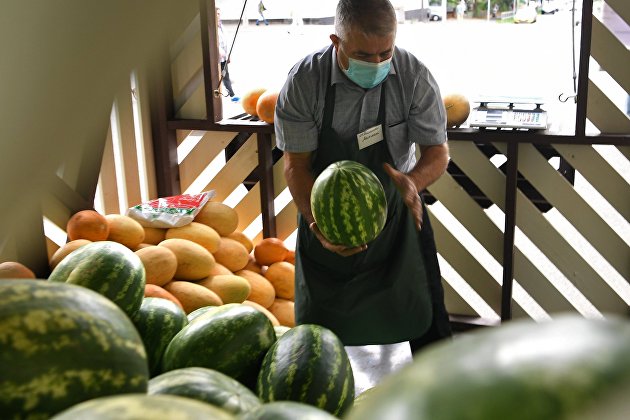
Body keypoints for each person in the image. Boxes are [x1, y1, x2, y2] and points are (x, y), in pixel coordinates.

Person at [274, 0, 452, 355]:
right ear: (336, 41)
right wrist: (317, 221)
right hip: (324, 216)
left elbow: (438, 153)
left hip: (400, 208)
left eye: (384, 53)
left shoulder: (413, 76)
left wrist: (413, 183)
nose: (376, 64)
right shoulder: (304, 82)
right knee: (313, 343)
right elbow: (296, 164)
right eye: (363, 55)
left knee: (430, 325)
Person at [216, 8, 238, 101]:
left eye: (219, 13)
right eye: (217, 13)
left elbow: (225, 41)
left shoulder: (220, 25)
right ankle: (231, 94)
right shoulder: (213, 27)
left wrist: (228, 55)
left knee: (225, 75)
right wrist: (219, 50)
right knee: (220, 76)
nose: (218, 15)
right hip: (217, 58)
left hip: (224, 57)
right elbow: (215, 42)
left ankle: (231, 94)